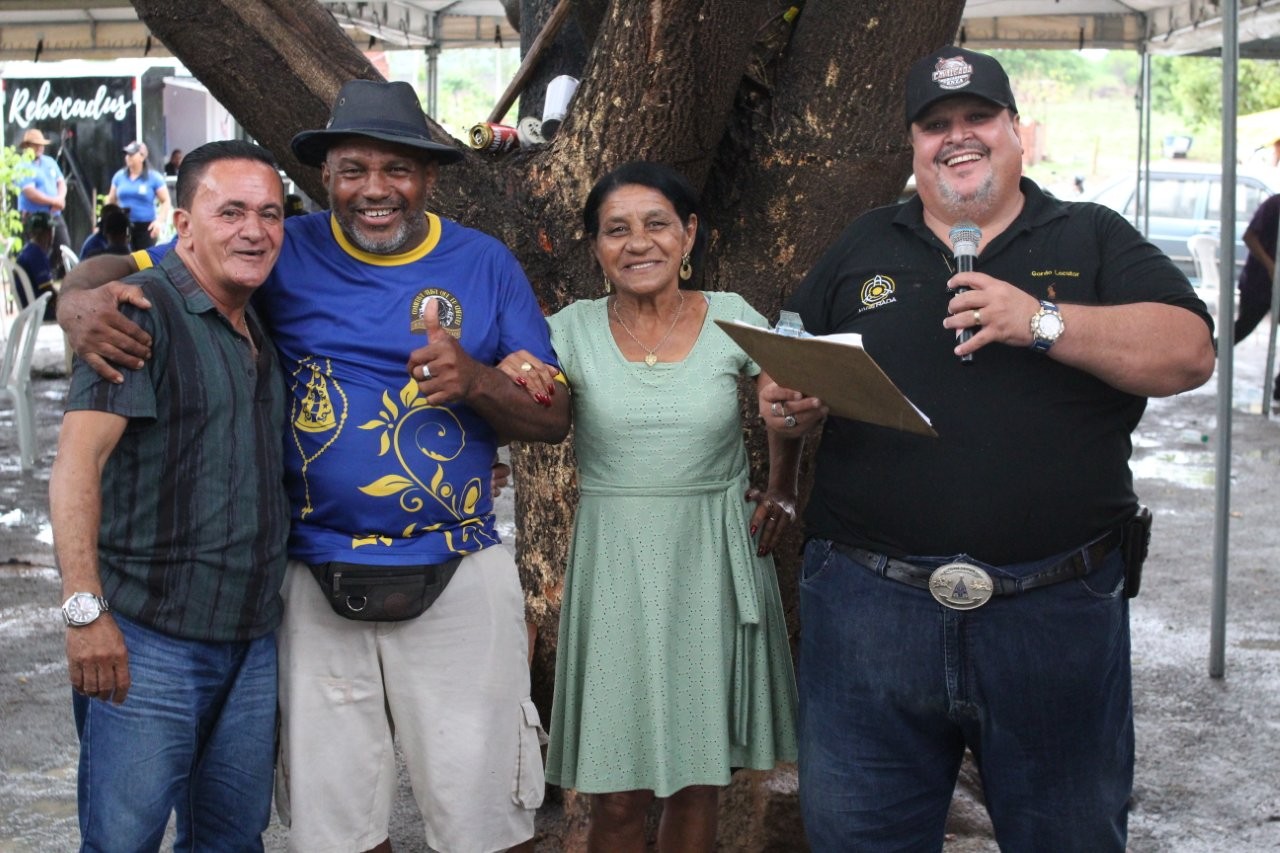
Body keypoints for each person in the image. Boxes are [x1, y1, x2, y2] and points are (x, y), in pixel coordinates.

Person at [59, 79, 570, 853]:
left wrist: (476, 380)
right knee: (337, 829)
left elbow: (554, 416)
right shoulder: (279, 248)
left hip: (458, 565)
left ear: (429, 178)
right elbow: (122, 272)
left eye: (397, 169)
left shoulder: (484, 263)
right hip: (311, 577)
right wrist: (74, 303)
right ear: (325, 176)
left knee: (486, 817)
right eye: (353, 169)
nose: (375, 189)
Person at [761, 47, 1216, 851]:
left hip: (1054, 613)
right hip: (870, 615)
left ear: (1016, 130)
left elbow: (1189, 352)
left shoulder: (1090, 234)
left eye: (978, 117)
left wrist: (1040, 320)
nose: (958, 137)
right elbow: (793, 352)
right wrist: (785, 400)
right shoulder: (864, 243)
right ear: (914, 145)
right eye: (936, 124)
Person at [493, 162, 800, 851]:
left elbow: (787, 401)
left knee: (698, 782)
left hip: (710, 561)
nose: (638, 242)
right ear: (596, 247)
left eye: (657, 224)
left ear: (688, 234)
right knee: (616, 792)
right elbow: (524, 389)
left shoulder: (731, 314)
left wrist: (783, 484)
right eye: (616, 230)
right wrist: (511, 371)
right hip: (616, 567)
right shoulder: (568, 329)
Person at [48, 140, 290, 851]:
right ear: (182, 225)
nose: (254, 230)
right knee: (123, 841)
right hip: (146, 638)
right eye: (231, 212)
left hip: (250, 639)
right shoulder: (137, 313)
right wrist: (84, 610)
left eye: (270, 213)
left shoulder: (257, 314)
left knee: (231, 839)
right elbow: (77, 464)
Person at [1232, 191, 1280, 400]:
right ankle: (1206, 353)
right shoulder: (1274, 204)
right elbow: (1249, 237)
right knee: (1241, 329)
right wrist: (1271, 266)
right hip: (1258, 283)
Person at [13, 127, 71, 275]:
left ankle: (51, 274)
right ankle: (37, 277)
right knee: (37, 250)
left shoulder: (49, 162)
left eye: (41, 144)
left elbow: (61, 183)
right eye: (36, 144)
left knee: (63, 245)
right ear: (27, 146)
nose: (40, 147)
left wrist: (60, 198)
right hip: (35, 217)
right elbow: (30, 193)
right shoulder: (22, 166)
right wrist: (54, 202)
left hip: (54, 214)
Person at [106, 141, 171, 250]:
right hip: (124, 226)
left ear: (142, 157)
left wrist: (159, 222)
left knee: (143, 258)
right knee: (124, 256)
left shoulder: (154, 178)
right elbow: (111, 200)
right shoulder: (119, 176)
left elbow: (165, 201)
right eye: (127, 155)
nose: (128, 157)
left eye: (131, 154)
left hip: (146, 227)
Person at [14, 211, 58, 321]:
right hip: (40, 310)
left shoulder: (28, 250)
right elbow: (48, 291)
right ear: (48, 233)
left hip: (27, 309)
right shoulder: (37, 254)